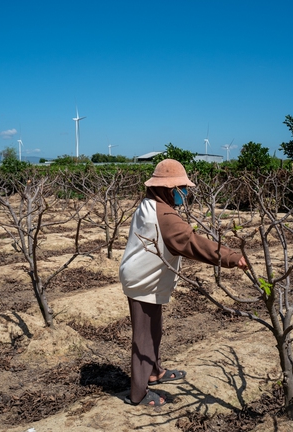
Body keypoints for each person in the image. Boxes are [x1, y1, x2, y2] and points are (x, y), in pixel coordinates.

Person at [119, 159, 248, 407]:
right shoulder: (165, 215)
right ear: (169, 189)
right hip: (143, 280)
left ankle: (155, 372)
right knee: (144, 336)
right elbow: (192, 242)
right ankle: (138, 394)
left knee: (154, 328)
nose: (185, 193)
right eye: (181, 188)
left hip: (145, 277)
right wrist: (233, 257)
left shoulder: (151, 203)